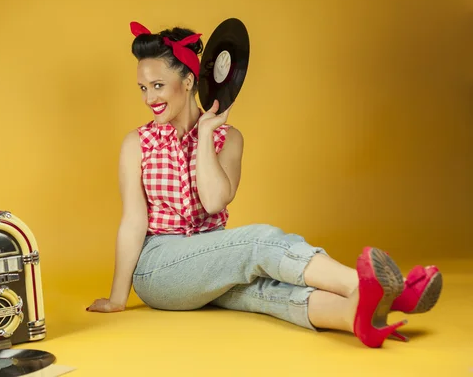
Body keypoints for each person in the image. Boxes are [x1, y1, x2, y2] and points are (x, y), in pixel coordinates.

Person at [86, 21, 443, 348]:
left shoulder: (229, 138)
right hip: (159, 269)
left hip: (213, 258)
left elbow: (213, 201)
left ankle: (356, 317)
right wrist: (118, 297)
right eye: (143, 88)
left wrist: (206, 135)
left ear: (190, 81)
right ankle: (370, 288)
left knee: (266, 291)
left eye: (158, 85)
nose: (150, 98)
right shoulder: (137, 143)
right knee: (259, 243)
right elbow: (134, 221)